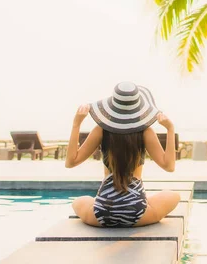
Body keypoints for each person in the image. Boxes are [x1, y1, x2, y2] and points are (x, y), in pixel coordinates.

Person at [65, 82, 180, 227]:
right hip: (136, 212)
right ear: (139, 109)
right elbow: (169, 166)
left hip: (102, 213)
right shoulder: (145, 132)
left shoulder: (101, 130)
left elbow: (70, 162)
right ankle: (137, 203)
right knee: (174, 196)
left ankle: (112, 205)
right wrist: (170, 129)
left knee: (78, 201)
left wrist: (76, 124)